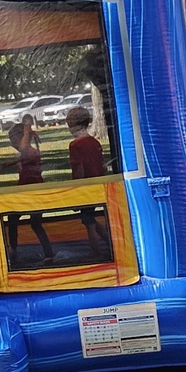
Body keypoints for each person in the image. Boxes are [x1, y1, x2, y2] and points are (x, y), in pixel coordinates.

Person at [3, 119, 54, 265]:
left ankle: (48, 254)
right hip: (26, 191)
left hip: (33, 192)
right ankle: (13, 249)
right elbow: (23, 158)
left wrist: (27, 131)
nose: (12, 144)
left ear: (22, 139)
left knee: (35, 223)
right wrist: (11, 163)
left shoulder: (29, 150)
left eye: (13, 140)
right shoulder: (26, 154)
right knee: (14, 219)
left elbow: (24, 148)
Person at [65, 107, 110, 259]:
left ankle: (96, 253)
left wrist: (76, 191)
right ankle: (109, 244)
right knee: (91, 220)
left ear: (73, 124)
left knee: (89, 224)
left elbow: (79, 169)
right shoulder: (94, 142)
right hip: (97, 186)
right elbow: (102, 165)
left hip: (85, 189)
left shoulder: (75, 145)